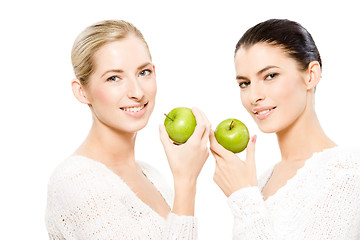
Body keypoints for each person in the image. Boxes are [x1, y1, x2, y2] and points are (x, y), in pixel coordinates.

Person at [45, 20, 211, 239]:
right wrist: (185, 181)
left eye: (143, 73)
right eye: (114, 78)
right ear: (81, 92)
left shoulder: (152, 176)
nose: (137, 91)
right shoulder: (75, 181)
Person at [209, 19, 360, 239]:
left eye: (270, 76)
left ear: (311, 75)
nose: (254, 96)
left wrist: (243, 198)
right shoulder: (261, 181)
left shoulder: (348, 174)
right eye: (245, 83)